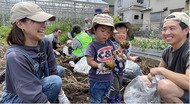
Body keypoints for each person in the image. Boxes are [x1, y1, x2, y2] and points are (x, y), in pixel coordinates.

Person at [0, 2, 70, 103]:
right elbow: (35, 96)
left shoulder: (45, 43)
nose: (44, 25)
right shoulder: (15, 56)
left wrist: (62, 96)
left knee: (59, 70)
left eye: (44, 21)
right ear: (20, 24)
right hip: (16, 97)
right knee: (54, 81)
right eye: (37, 20)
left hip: (32, 84)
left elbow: (53, 71)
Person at [147, 12, 189, 103]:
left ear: (186, 30)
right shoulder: (167, 51)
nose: (167, 33)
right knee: (144, 80)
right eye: (164, 29)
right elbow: (156, 75)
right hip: (179, 90)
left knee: (164, 86)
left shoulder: (188, 51)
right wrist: (152, 77)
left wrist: (162, 71)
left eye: (172, 28)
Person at [85, 14, 116, 103]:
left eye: (108, 32)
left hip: (109, 78)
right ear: (94, 30)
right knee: (96, 100)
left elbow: (115, 53)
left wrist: (120, 55)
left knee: (102, 98)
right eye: (103, 31)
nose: (105, 34)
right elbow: (89, 61)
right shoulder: (92, 46)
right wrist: (100, 66)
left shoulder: (110, 42)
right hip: (96, 80)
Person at [107, 21, 140, 103]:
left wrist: (132, 58)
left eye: (124, 33)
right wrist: (119, 56)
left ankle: (117, 101)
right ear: (114, 35)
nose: (121, 34)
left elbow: (127, 55)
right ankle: (110, 101)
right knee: (115, 88)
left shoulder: (125, 46)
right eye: (118, 32)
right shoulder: (113, 45)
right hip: (113, 70)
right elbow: (116, 54)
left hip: (121, 70)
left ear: (126, 35)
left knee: (119, 87)